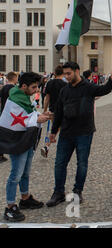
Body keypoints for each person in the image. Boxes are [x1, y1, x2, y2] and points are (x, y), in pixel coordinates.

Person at [46, 62, 112, 207]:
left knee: (82, 164)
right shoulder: (64, 90)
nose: (66, 77)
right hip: (66, 132)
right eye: (65, 74)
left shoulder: (88, 87)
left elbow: (104, 89)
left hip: (84, 132)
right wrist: (53, 132)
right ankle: (58, 192)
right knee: (59, 164)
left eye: (69, 74)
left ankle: (77, 191)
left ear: (77, 71)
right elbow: (59, 112)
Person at [2, 72, 51, 222]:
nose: (37, 90)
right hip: (18, 140)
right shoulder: (15, 99)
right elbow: (20, 118)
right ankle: (10, 207)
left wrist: (40, 116)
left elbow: (28, 114)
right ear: (24, 86)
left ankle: (25, 198)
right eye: (34, 87)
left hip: (26, 138)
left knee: (25, 172)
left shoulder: (22, 97)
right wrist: (39, 117)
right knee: (15, 174)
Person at [41, 65, 67, 158]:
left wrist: (45, 110)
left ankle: (48, 146)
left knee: (56, 128)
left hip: (52, 109)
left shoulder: (49, 83)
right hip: (63, 110)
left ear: (55, 73)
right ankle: (48, 146)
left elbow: (47, 98)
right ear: (63, 73)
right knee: (61, 130)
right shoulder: (65, 84)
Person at [0, 72, 19, 164]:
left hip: (3, 111)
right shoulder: (13, 89)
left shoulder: (4, 87)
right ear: (14, 78)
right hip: (11, 113)